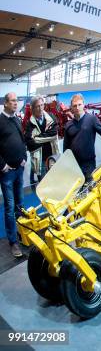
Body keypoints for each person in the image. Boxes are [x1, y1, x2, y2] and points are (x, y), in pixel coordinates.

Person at [63, 94, 101, 182]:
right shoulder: (68, 125)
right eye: (74, 106)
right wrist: (66, 163)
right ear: (71, 108)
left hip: (88, 164)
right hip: (74, 165)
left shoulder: (92, 119)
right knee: (75, 191)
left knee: (90, 189)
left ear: (83, 105)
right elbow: (66, 147)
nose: (77, 108)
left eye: (79, 105)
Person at [0, 92, 28, 257]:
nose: (16, 103)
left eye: (16, 101)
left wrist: (24, 157)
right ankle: (13, 241)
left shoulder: (17, 119)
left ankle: (21, 233)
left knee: (20, 205)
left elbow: (22, 141)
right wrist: (2, 165)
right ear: (5, 103)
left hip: (19, 170)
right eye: (12, 101)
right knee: (10, 207)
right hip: (7, 173)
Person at [24, 96, 59, 186]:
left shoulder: (51, 117)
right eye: (37, 106)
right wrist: (46, 138)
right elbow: (30, 143)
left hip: (52, 157)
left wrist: (36, 138)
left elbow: (54, 134)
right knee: (44, 186)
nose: (40, 108)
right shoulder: (29, 124)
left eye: (42, 105)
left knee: (55, 183)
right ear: (32, 108)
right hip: (40, 161)